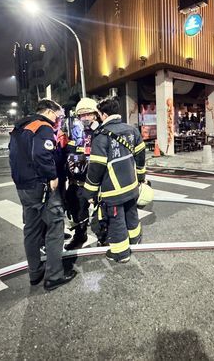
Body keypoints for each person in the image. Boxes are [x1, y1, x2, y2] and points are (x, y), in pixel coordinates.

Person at [9, 98, 77, 291]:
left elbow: (13, 155)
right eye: (57, 115)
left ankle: (35, 271)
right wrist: (52, 176)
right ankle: (54, 275)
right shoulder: (43, 127)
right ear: (49, 111)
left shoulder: (21, 127)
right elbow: (41, 154)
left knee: (31, 229)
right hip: (41, 186)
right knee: (55, 227)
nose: (58, 119)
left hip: (24, 186)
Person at [82, 96, 146, 263]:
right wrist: (141, 176)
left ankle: (120, 253)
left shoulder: (101, 137)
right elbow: (140, 156)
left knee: (116, 220)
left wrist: (89, 191)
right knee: (132, 213)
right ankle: (135, 241)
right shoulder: (132, 130)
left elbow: (96, 168)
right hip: (132, 185)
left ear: (103, 115)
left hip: (113, 190)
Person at [63, 97, 101, 250]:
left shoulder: (101, 132)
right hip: (77, 182)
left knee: (102, 213)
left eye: (88, 114)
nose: (85, 118)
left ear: (95, 114)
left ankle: (103, 237)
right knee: (76, 211)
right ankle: (80, 235)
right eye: (82, 115)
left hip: (97, 182)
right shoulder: (75, 133)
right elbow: (70, 155)